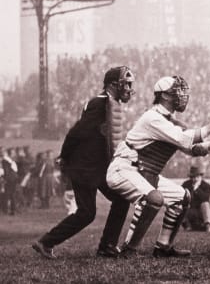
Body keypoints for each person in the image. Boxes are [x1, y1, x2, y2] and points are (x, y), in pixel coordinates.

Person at [106, 75, 210, 258]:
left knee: (182, 198)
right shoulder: (153, 117)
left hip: (144, 172)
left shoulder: (169, 120)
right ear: (165, 96)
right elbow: (185, 139)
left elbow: (195, 149)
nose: (183, 95)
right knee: (154, 199)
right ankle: (129, 250)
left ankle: (163, 247)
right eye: (177, 91)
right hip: (125, 168)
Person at [32, 66, 136, 259]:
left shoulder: (108, 103)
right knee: (87, 213)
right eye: (126, 83)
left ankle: (107, 246)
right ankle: (45, 242)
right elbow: (77, 132)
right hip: (85, 168)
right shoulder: (100, 104)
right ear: (113, 85)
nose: (129, 88)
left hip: (95, 167)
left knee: (119, 200)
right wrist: (64, 156)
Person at [182, 164, 210, 233]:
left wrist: (197, 189)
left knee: (205, 204)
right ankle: (187, 225)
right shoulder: (186, 185)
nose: (194, 179)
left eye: (197, 177)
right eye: (192, 177)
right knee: (181, 205)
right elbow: (182, 197)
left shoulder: (206, 186)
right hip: (191, 212)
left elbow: (205, 198)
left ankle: (208, 226)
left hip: (203, 212)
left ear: (201, 176)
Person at [2, 147, 18, 215]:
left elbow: (7, 171)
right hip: (12, 179)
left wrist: (5, 179)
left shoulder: (7, 161)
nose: (14, 154)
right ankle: (11, 210)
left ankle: (7, 210)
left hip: (11, 179)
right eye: (13, 153)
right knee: (11, 194)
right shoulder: (9, 160)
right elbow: (8, 171)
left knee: (8, 194)